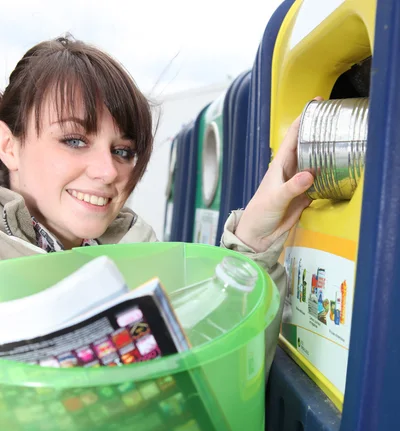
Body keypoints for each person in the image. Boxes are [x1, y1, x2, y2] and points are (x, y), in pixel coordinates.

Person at [0, 36, 315, 372]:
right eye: (74, 140)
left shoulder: (143, 262)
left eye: (122, 151)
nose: (108, 172)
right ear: (9, 146)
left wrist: (253, 243)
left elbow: (224, 381)